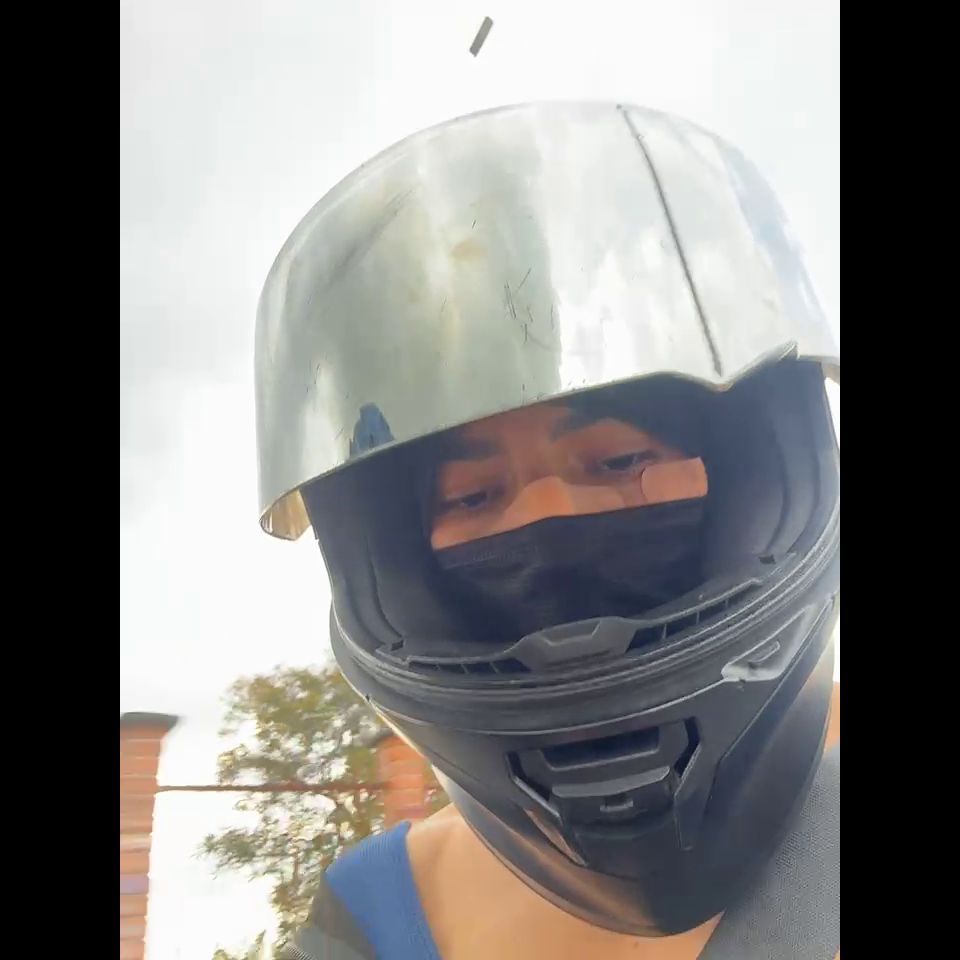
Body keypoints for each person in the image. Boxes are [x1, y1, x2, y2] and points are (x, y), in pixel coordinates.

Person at [253, 102, 840, 959]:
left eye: (619, 459)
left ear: (756, 476)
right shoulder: (373, 914)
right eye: (473, 496)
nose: (548, 516)